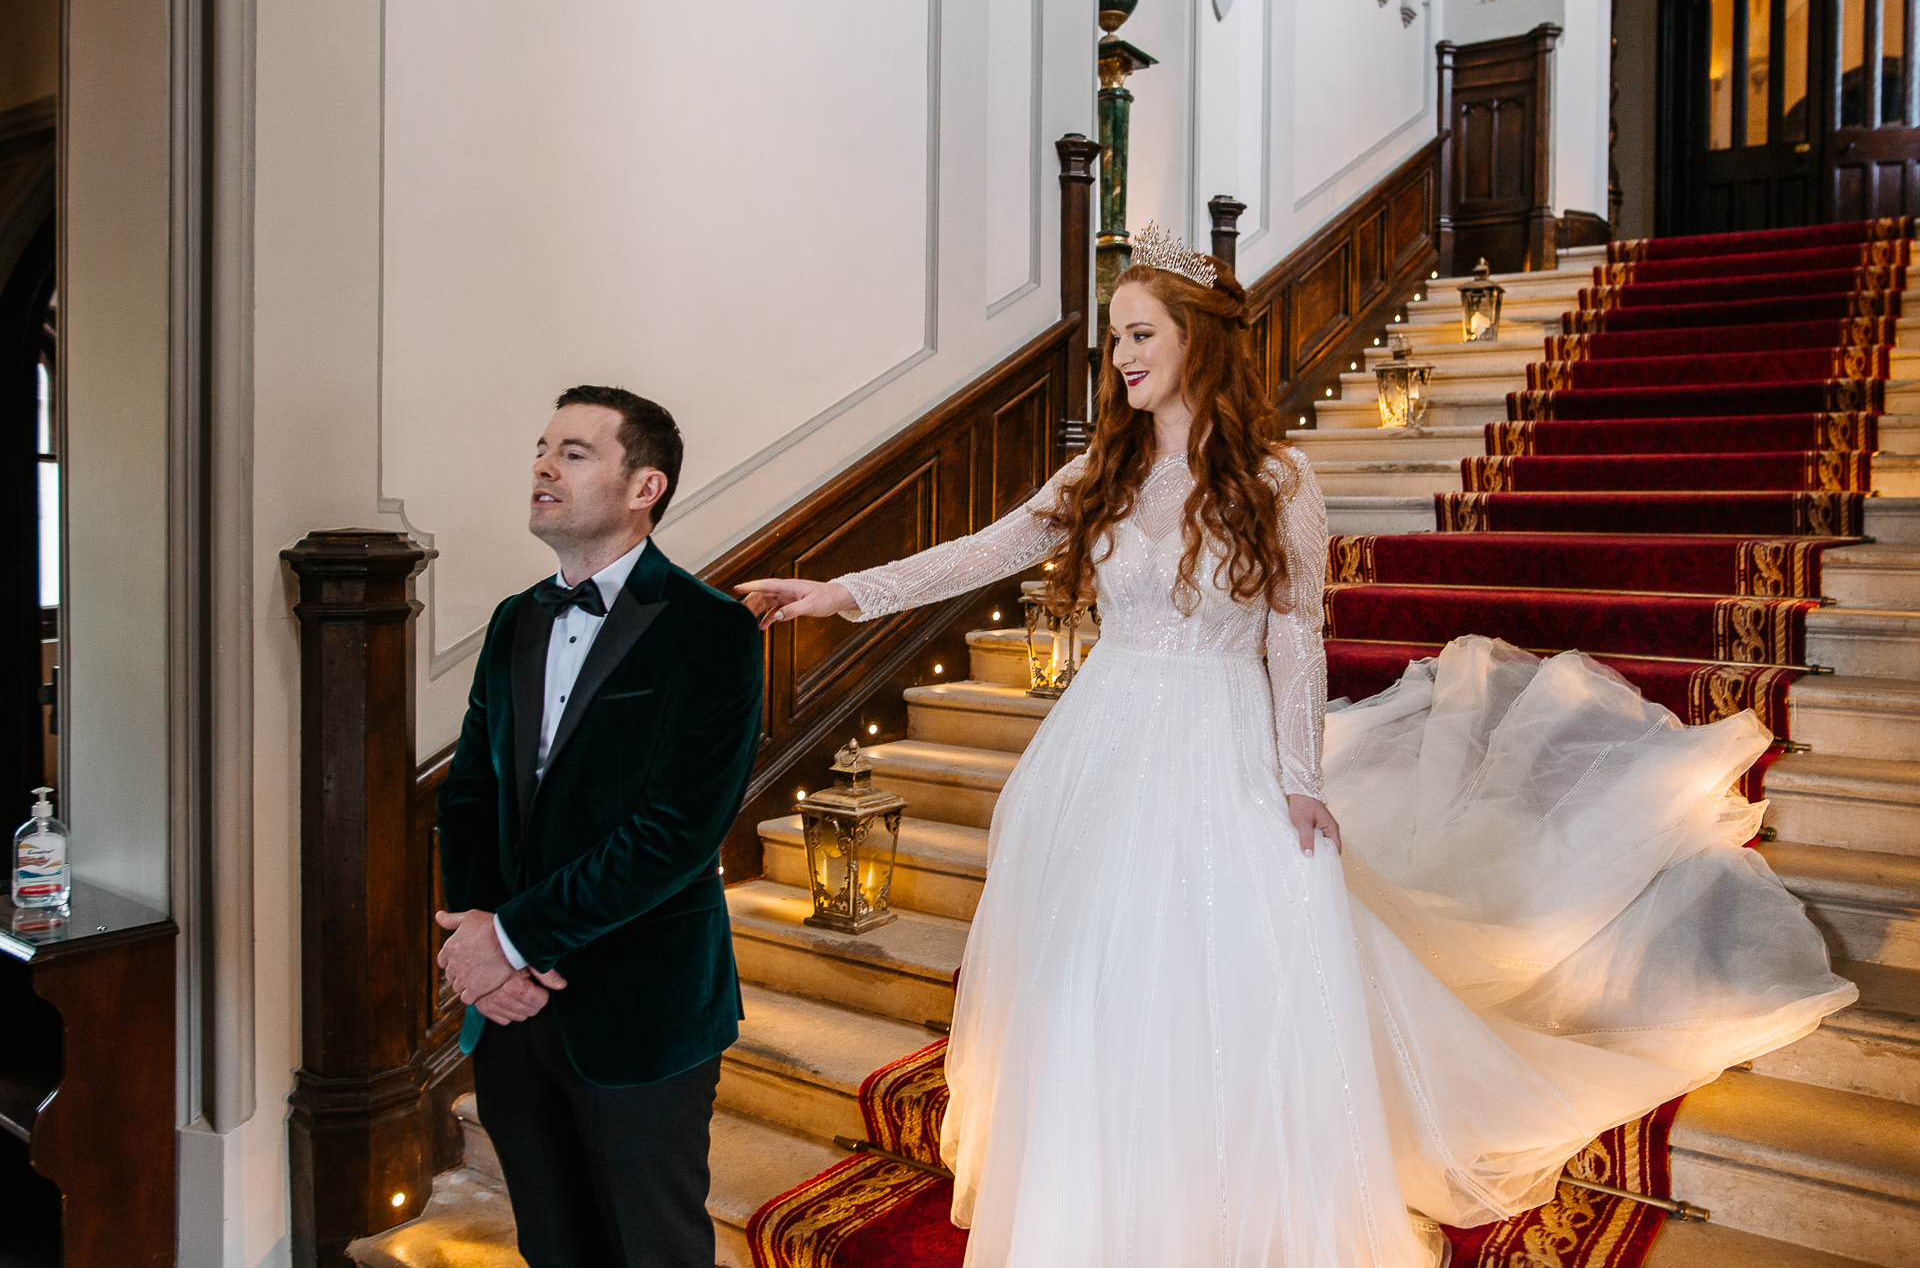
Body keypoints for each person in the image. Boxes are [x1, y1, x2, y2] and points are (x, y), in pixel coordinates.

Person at [737, 224, 1856, 1267]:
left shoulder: (1278, 480)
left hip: (1220, 742)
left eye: (1140, 334)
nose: (1120, 356)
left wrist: (1297, 779)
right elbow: (976, 553)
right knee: (1093, 977)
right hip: (1100, 747)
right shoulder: (1103, 472)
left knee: (1224, 973)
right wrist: (839, 590)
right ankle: (1099, 1196)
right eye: (1114, 337)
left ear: (1195, 342)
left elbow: (1293, 634)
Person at [435, 385, 763, 1268]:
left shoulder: (713, 630)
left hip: (640, 1006)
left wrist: (512, 937)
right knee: (552, 1245)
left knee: (652, 1248)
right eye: (543, 448)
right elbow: (468, 797)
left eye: (574, 452)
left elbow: (676, 831)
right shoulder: (514, 621)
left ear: (643, 486)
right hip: (510, 1016)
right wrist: (480, 949)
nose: (544, 466)